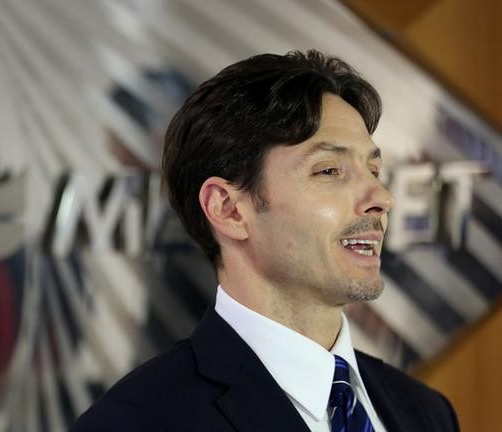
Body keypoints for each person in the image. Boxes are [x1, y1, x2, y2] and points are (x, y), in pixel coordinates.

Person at [70, 50, 459, 432]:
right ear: (228, 209)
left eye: (374, 170)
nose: (381, 198)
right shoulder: (134, 422)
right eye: (329, 170)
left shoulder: (426, 412)